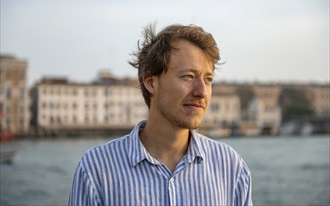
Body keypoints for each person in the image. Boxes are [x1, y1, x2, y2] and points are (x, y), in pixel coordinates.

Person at [68, 24, 253, 206]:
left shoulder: (231, 167)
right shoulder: (95, 170)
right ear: (151, 82)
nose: (202, 92)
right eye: (188, 76)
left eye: (208, 79)